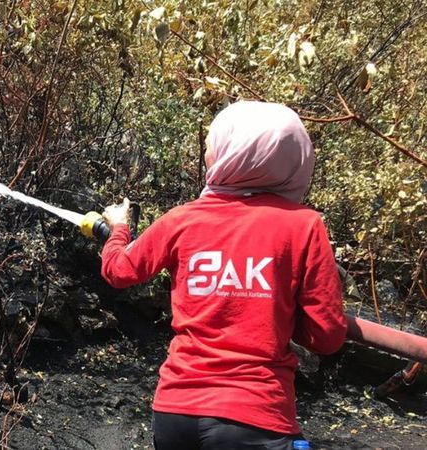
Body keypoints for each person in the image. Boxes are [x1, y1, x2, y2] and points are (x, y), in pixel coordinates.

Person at [99, 101, 347, 450]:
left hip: (174, 414)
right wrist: (277, 312)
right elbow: (327, 337)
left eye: (211, 147)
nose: (206, 155)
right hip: (256, 415)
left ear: (237, 154)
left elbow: (117, 269)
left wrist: (119, 229)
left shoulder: (182, 219)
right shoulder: (303, 226)